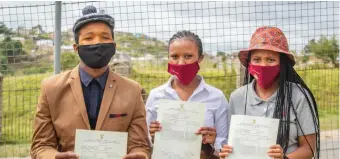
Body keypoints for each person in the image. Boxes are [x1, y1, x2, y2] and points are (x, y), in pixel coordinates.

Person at [31, 6, 150, 159]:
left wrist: (139, 155)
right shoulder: (51, 88)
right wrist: (53, 157)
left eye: (105, 37)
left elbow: (140, 145)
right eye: (89, 38)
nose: (98, 43)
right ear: (76, 48)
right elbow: (41, 145)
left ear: (113, 46)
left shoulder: (132, 90)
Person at [219, 26, 320, 159]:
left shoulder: (298, 96)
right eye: (257, 59)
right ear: (249, 63)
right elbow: (230, 143)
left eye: (271, 60)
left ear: (282, 64)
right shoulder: (237, 97)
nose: (263, 65)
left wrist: (285, 158)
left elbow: (309, 149)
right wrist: (226, 153)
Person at [145, 30, 229, 158]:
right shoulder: (156, 95)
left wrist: (213, 142)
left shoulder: (216, 97)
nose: (181, 63)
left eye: (188, 56)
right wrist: (152, 136)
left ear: (200, 58)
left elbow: (224, 146)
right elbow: (145, 142)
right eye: (174, 56)